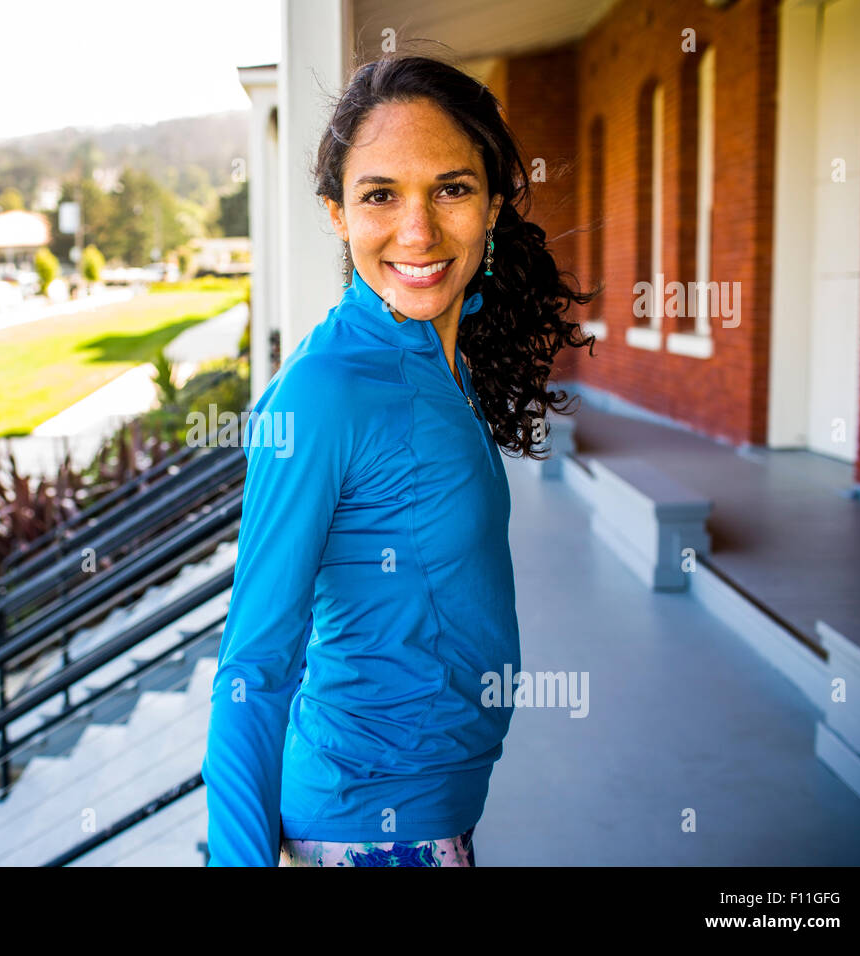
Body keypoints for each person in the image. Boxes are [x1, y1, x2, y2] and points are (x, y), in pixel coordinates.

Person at [200, 48, 598, 867]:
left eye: (451, 189)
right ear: (338, 213)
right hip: (369, 831)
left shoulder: (442, 347)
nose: (417, 232)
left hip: (440, 812)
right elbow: (252, 666)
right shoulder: (323, 394)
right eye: (380, 195)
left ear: (491, 203)